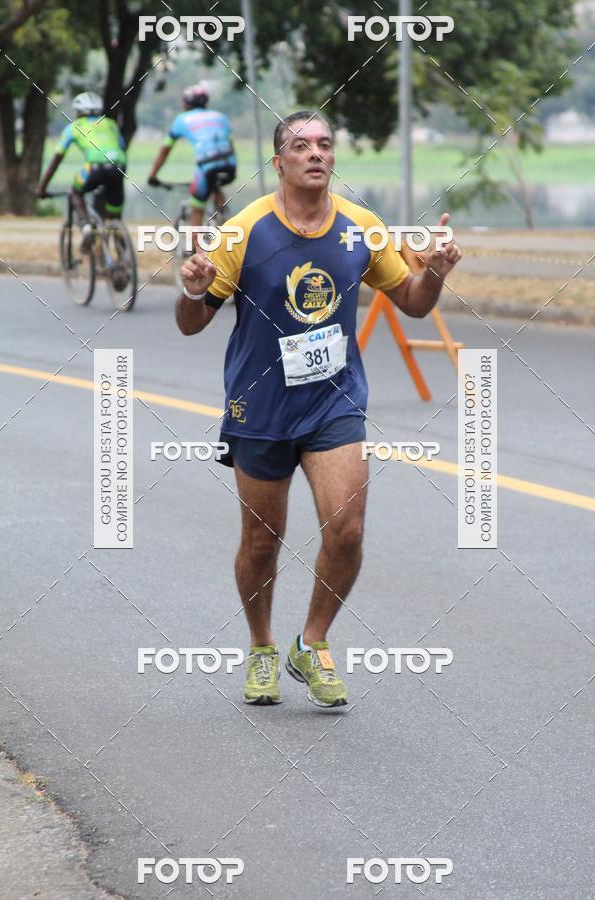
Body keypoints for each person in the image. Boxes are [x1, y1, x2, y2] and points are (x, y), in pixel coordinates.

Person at [175, 110, 461, 708]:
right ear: (278, 162)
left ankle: (313, 642)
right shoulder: (244, 230)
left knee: (348, 529)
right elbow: (191, 325)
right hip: (261, 403)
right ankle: (261, 648)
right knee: (261, 539)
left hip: (334, 401)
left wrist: (432, 272)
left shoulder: (361, 228)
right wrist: (193, 289)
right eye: (300, 146)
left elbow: (411, 302)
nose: (315, 153)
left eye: (325, 144)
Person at [37, 92, 126, 250]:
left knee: (75, 192)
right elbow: (122, 146)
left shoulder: (73, 127)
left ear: (78, 111)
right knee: (113, 216)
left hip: (95, 167)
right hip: (118, 165)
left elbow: (56, 160)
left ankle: (85, 228)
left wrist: (42, 188)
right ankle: (123, 259)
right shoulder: (111, 124)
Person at [147, 84, 237, 226]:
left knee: (197, 209)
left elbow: (164, 151)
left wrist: (153, 175)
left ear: (186, 103)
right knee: (214, 187)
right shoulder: (221, 117)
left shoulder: (181, 119)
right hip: (230, 164)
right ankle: (225, 217)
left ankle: (194, 247)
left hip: (207, 165)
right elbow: (230, 144)